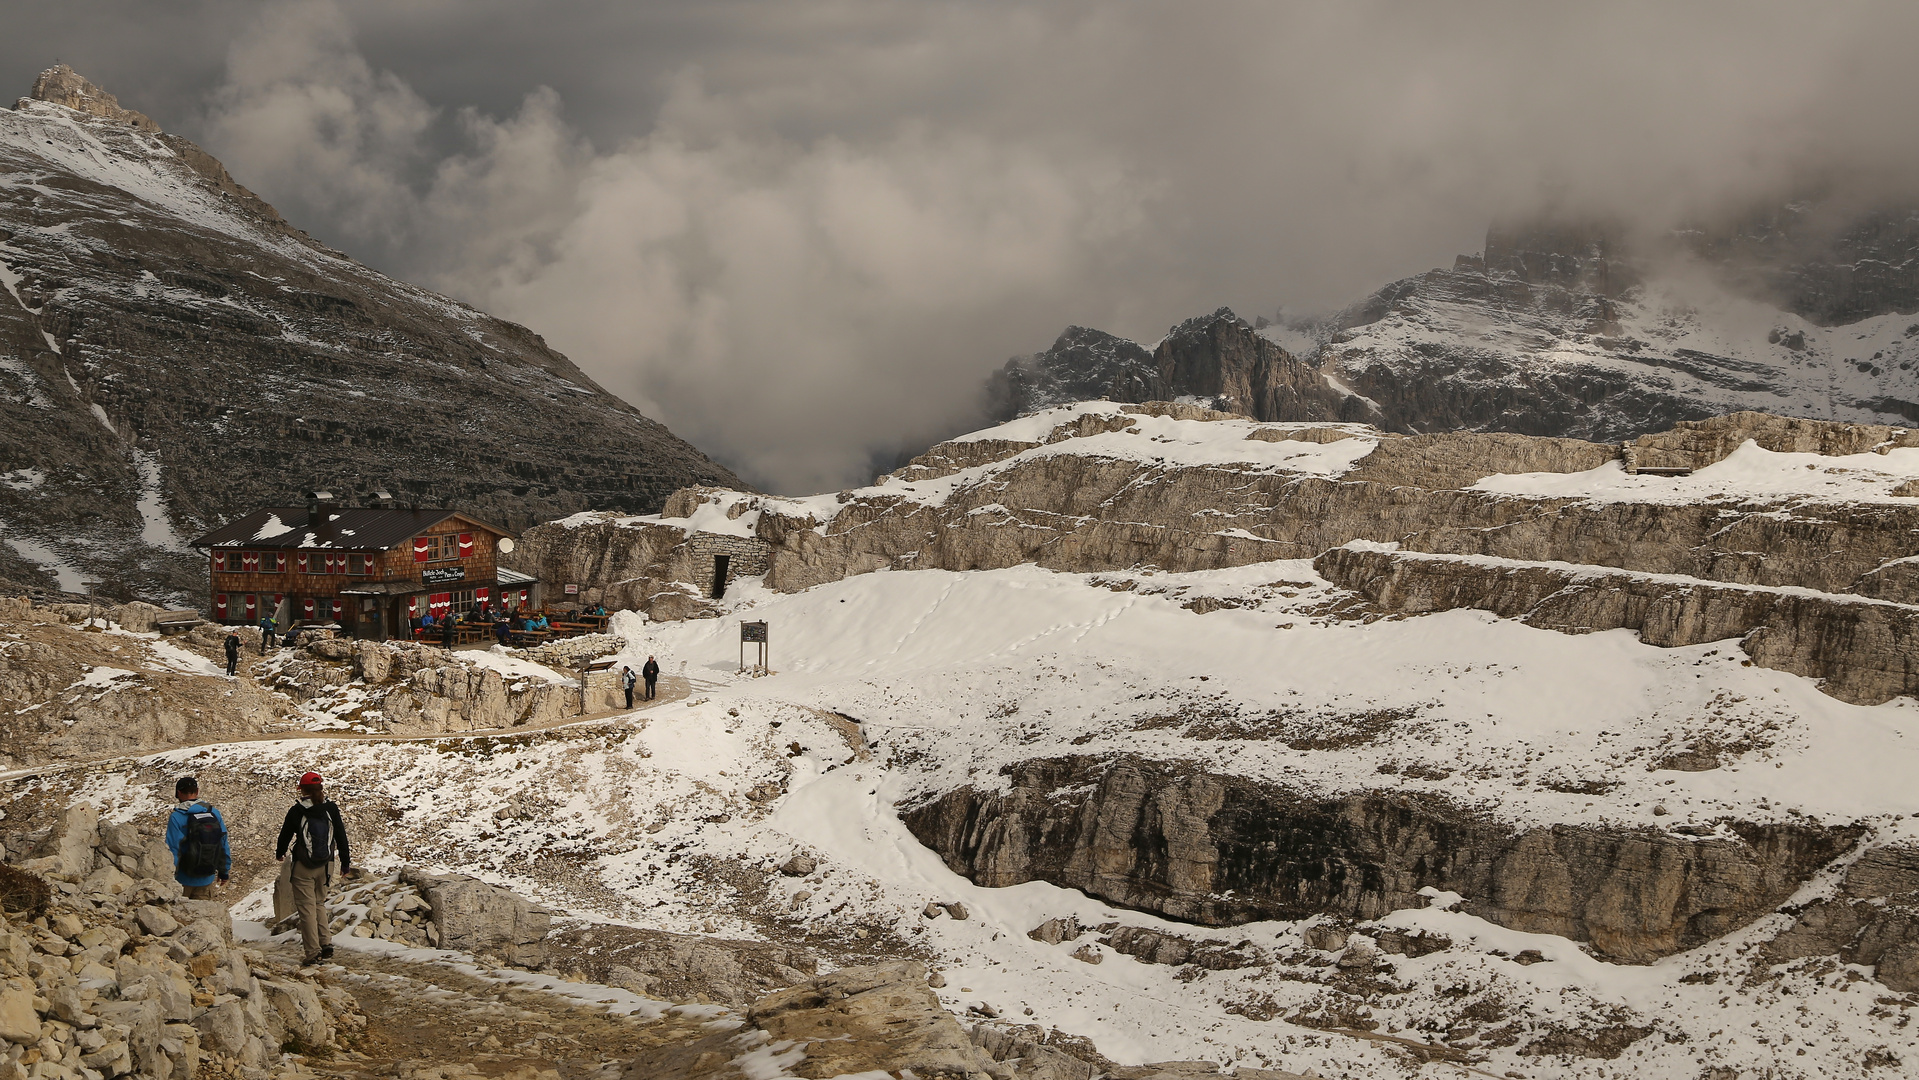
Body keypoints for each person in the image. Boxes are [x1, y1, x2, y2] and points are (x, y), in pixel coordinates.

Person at [276, 771, 356, 966]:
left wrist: (280, 853)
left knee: (306, 908)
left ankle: (313, 952)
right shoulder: (330, 808)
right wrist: (345, 864)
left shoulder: (297, 811)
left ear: (301, 789)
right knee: (319, 903)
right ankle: (326, 942)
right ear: (321, 788)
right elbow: (341, 837)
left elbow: (285, 835)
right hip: (326, 865)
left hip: (304, 865)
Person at [165, 777, 230, 898]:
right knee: (203, 915)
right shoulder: (213, 812)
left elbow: (172, 848)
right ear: (197, 791)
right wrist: (224, 871)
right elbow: (223, 843)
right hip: (207, 877)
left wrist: (169, 876)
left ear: (178, 793)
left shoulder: (177, 816)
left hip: (182, 880)